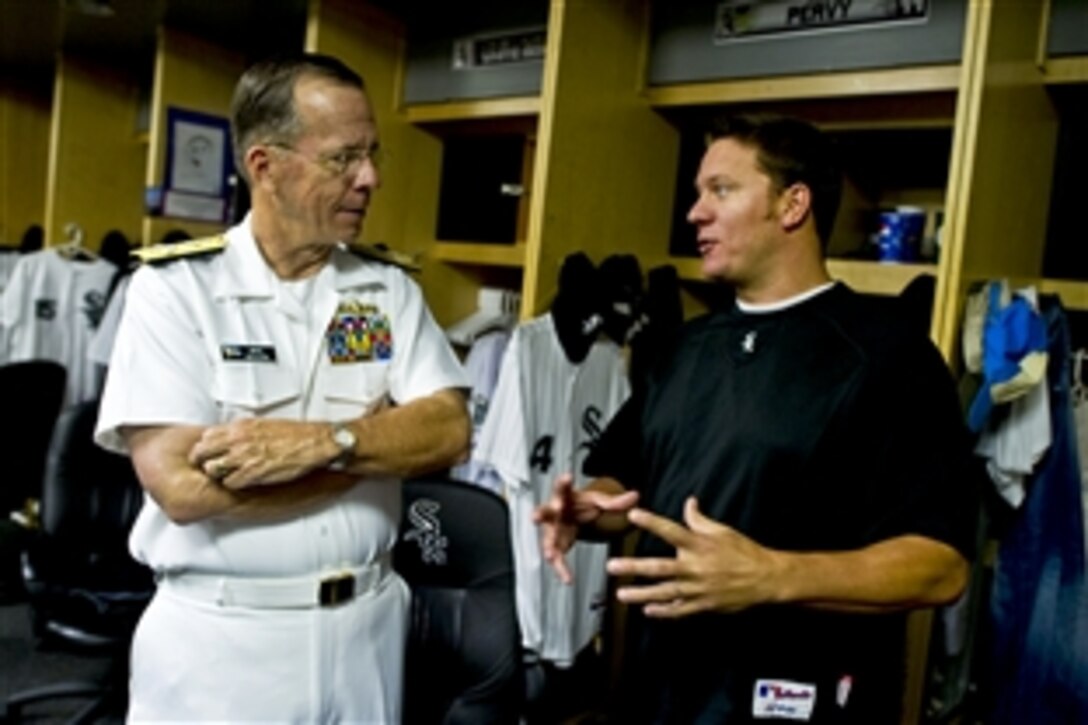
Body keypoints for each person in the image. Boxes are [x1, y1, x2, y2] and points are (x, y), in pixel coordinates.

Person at [535, 114, 978, 724]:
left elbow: (941, 567)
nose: (695, 212)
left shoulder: (888, 356)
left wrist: (772, 575)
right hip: (658, 696)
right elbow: (624, 481)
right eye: (698, 193)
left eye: (721, 190)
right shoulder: (682, 349)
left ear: (792, 205)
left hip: (802, 699)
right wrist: (590, 509)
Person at [95, 53, 471, 722]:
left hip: (368, 631)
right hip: (224, 639)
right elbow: (181, 488)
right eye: (342, 158)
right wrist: (372, 451)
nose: (370, 178)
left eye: (372, 154)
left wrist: (324, 441)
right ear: (264, 165)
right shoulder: (177, 290)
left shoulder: (387, 290)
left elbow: (447, 429)